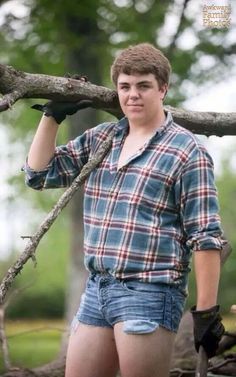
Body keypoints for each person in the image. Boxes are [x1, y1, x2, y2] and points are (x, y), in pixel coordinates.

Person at [23, 43, 225, 377]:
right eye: (125, 86)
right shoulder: (102, 139)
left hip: (150, 292)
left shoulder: (188, 151)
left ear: (163, 88)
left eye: (143, 85)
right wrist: (52, 116)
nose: (133, 94)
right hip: (97, 289)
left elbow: (205, 238)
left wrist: (206, 312)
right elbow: (38, 175)